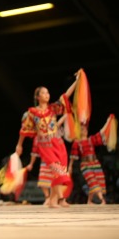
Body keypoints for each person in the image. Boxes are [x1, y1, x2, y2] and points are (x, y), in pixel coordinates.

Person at [15, 75, 79, 208]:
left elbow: (66, 95)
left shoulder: (53, 109)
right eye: (43, 93)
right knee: (58, 172)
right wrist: (19, 145)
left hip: (58, 144)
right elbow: (24, 130)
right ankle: (53, 200)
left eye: (48, 92)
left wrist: (78, 81)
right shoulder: (32, 113)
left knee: (59, 173)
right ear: (37, 97)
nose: (47, 95)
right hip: (45, 146)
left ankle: (54, 201)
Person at [68, 119, 110, 204]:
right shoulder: (77, 143)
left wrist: (108, 121)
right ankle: (102, 200)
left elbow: (101, 132)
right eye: (82, 129)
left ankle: (89, 201)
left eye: (85, 129)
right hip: (85, 165)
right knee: (92, 181)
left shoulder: (91, 140)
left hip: (95, 163)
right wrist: (70, 166)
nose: (84, 131)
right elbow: (73, 157)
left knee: (98, 180)